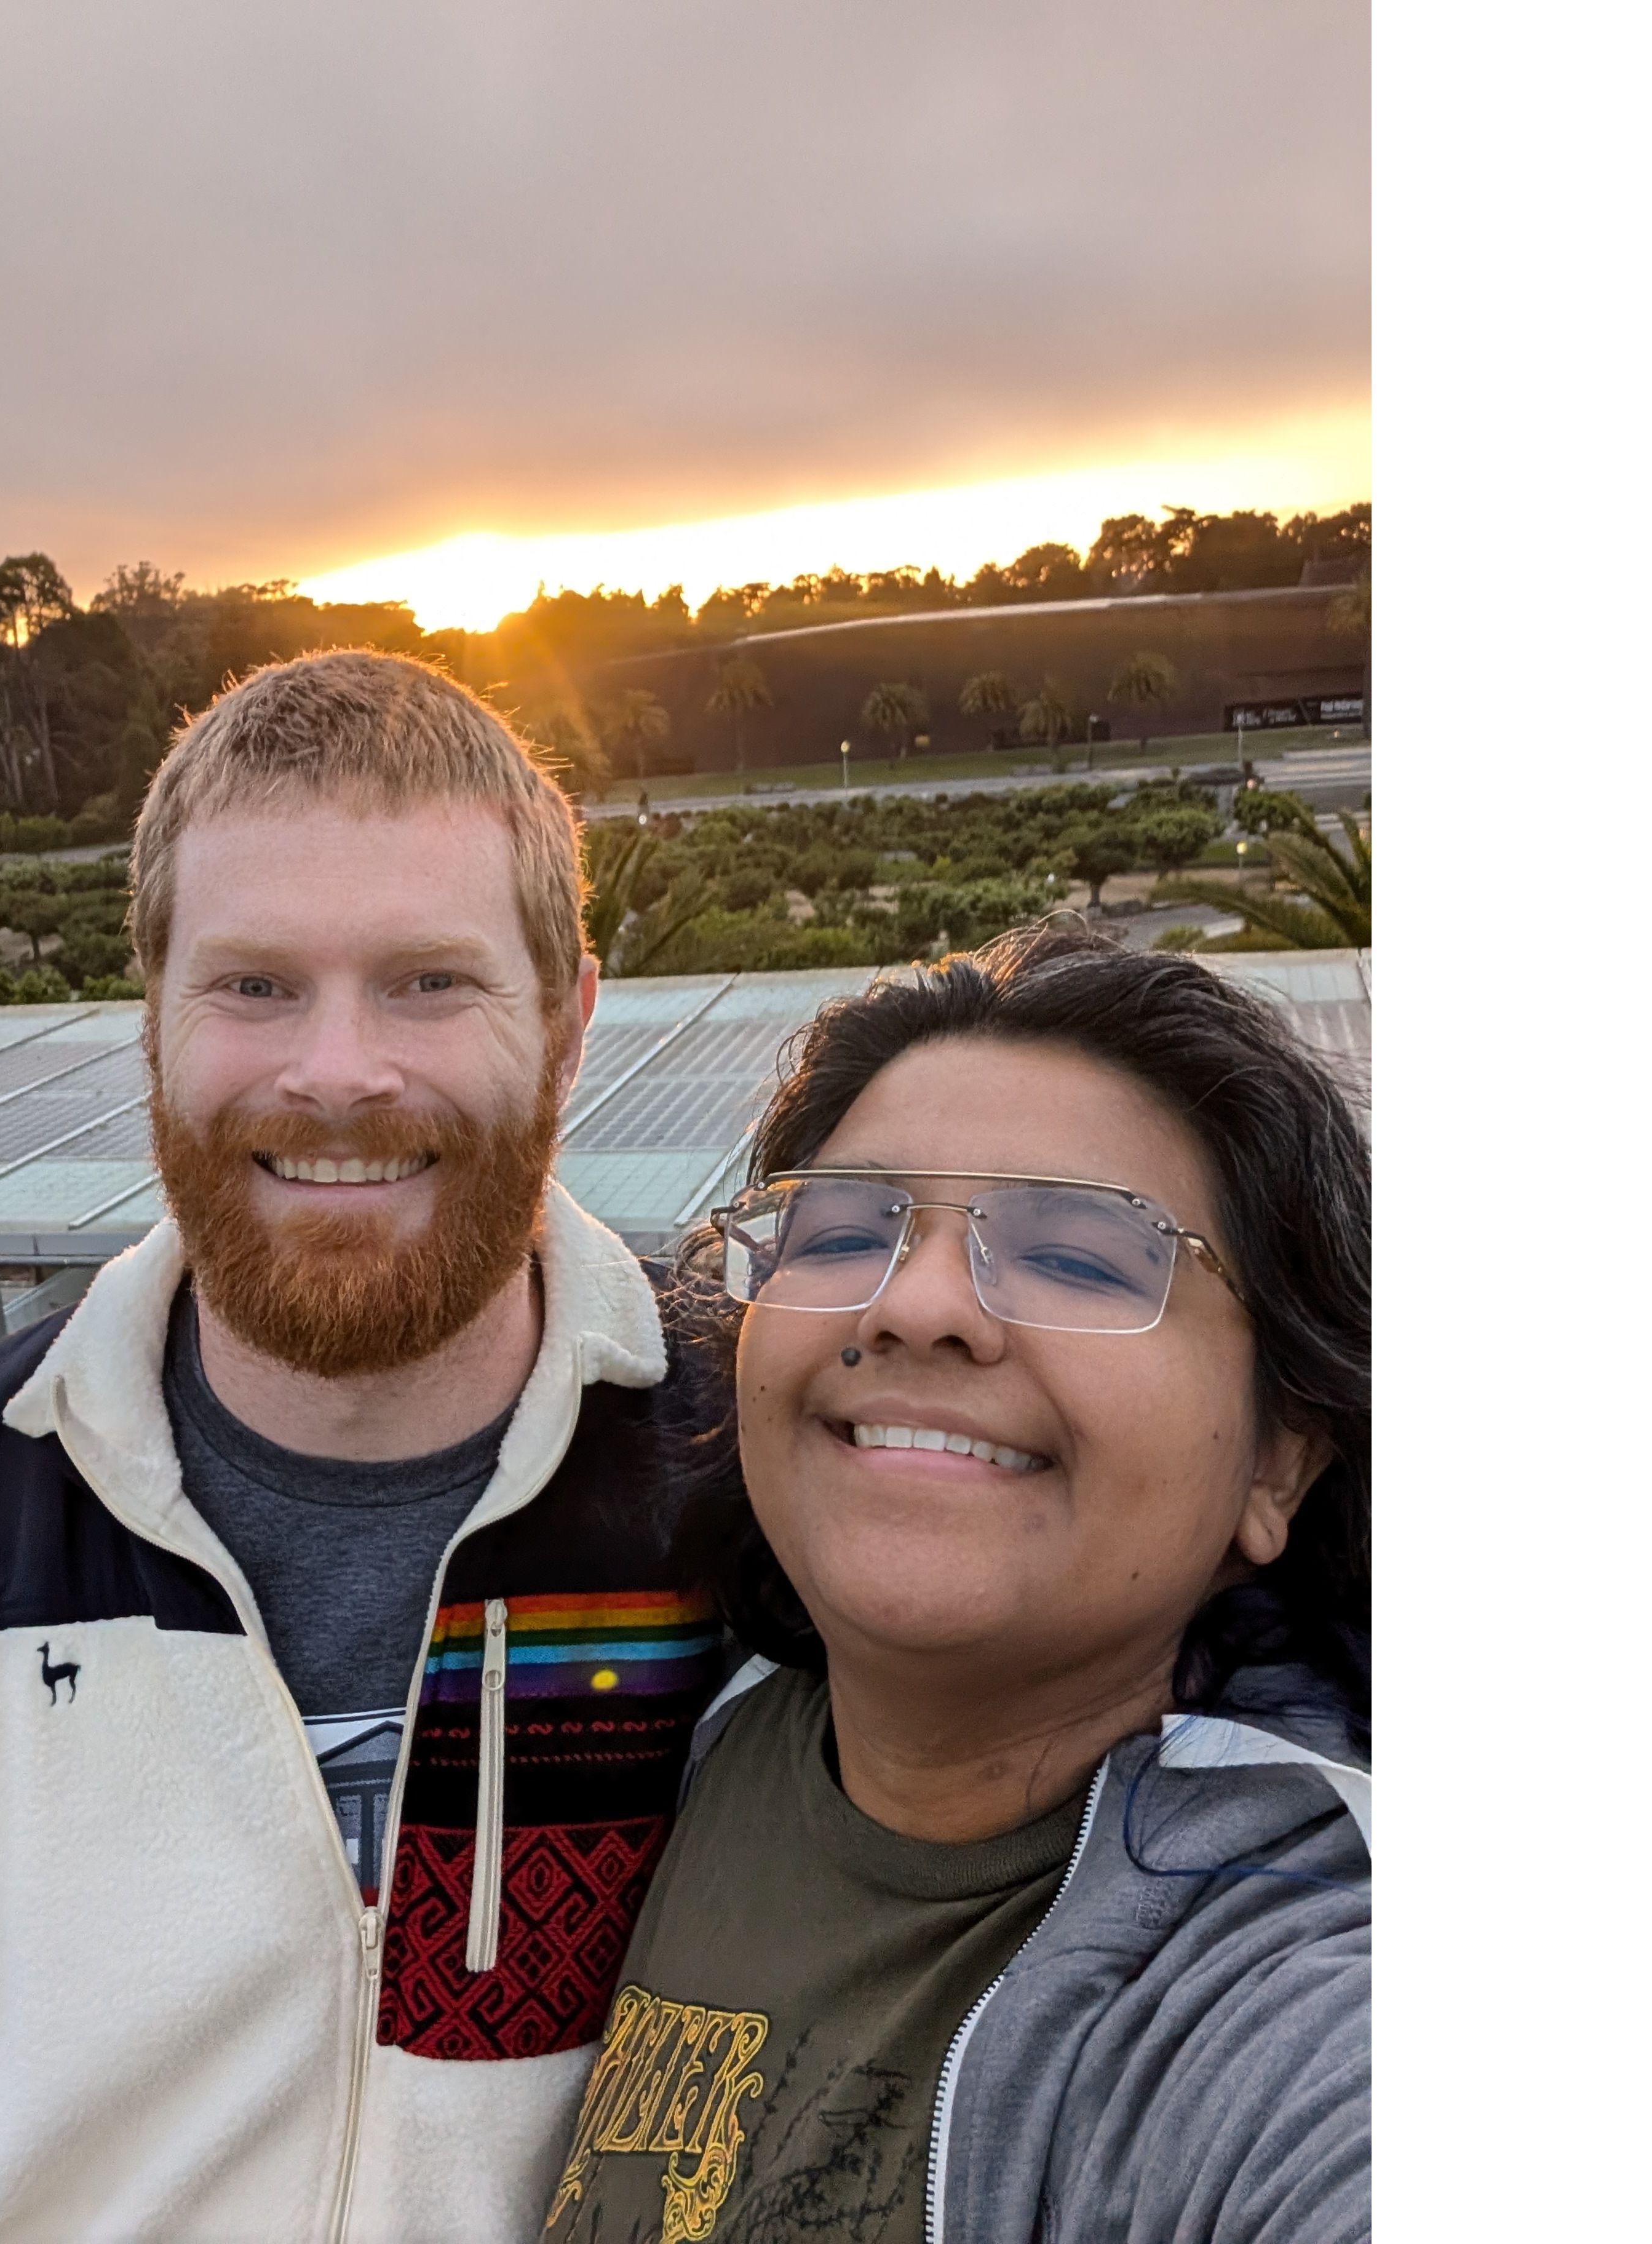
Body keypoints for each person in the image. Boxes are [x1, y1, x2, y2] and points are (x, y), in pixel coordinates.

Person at [0, 651, 728, 2240]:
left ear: (570, 1025)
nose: (336, 1072)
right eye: (254, 986)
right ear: (154, 1024)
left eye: (429, 982)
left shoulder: (750, 1506)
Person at [545, 923, 1370, 2244]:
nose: (917, 1304)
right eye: (841, 1231)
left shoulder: (1291, 2005)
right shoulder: (672, 1745)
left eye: (1082, 1255)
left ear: (1279, 1462)